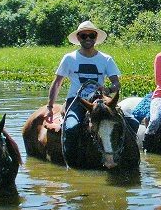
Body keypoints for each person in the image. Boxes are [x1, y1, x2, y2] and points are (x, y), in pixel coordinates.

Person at [46, 20, 121, 165]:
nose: (88, 39)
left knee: (125, 121)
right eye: (84, 36)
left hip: (99, 101)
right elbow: (57, 83)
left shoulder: (106, 59)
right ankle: (71, 163)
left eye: (91, 35)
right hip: (76, 100)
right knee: (72, 127)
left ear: (96, 38)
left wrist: (108, 89)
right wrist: (50, 107)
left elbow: (116, 83)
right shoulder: (69, 58)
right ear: (79, 38)